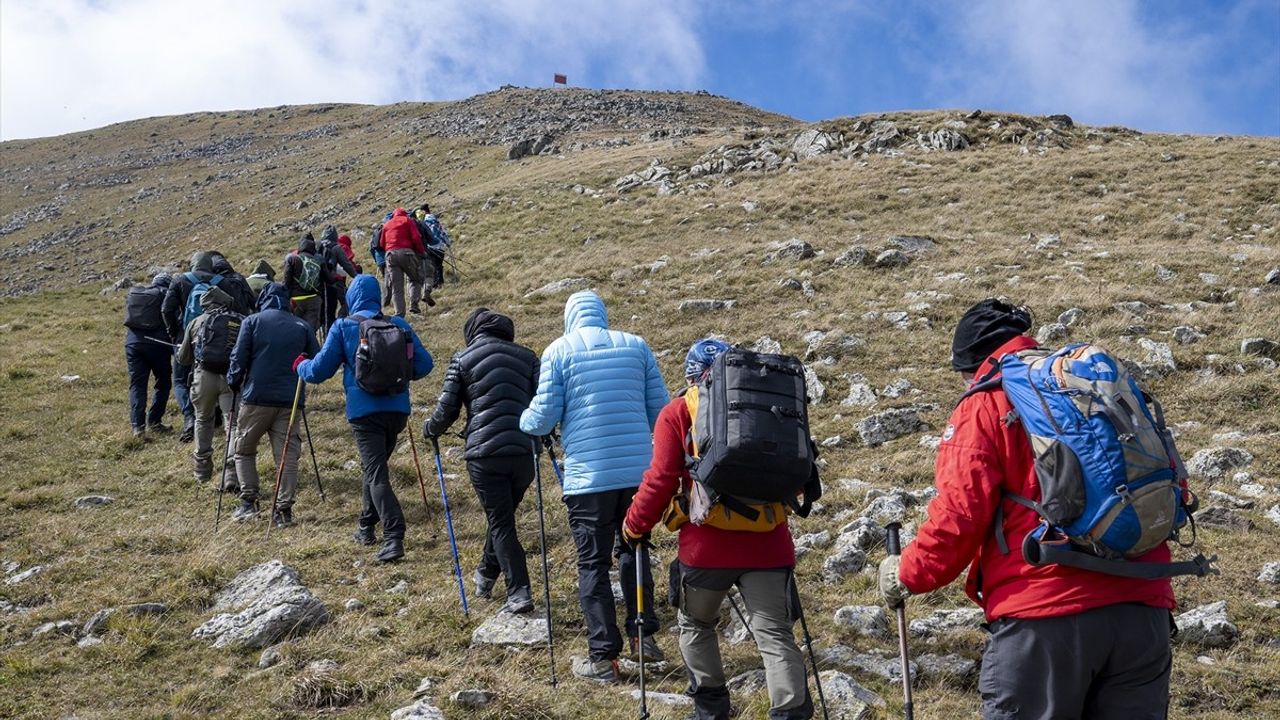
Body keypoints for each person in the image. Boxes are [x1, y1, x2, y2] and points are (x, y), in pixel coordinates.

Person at [877, 298, 1178, 719]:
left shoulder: (985, 403)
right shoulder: (1093, 389)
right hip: (1144, 608)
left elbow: (960, 513)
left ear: (973, 366)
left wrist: (906, 572)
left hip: (1044, 616)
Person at [623, 338, 814, 720]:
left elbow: (661, 479)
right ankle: (790, 712)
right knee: (775, 634)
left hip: (705, 548)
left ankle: (711, 710)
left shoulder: (678, 411)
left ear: (691, 375)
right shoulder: (770, 408)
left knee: (695, 624)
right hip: (769, 545)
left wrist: (634, 526)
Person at [519, 290, 670, 682]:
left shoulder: (559, 351)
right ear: (602, 315)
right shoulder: (637, 347)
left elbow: (543, 417)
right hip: (639, 475)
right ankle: (644, 637)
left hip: (588, 479)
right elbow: (661, 412)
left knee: (592, 564)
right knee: (634, 550)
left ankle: (604, 657)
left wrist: (525, 421)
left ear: (570, 318)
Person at [297, 274, 433, 562]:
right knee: (374, 469)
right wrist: (400, 376)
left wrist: (301, 366)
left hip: (364, 413)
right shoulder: (400, 325)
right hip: (397, 411)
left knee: (375, 473)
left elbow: (319, 372)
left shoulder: (344, 326)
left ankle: (394, 536)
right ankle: (366, 526)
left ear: (351, 298)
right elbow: (425, 365)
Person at [424, 308, 539, 614]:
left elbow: (447, 409)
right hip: (525, 452)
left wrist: (430, 428)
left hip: (485, 454)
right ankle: (487, 574)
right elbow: (542, 401)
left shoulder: (463, 358)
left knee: (501, 522)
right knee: (501, 518)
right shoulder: (528, 357)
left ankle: (519, 591)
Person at [226, 282, 320, 527]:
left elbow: (238, 357)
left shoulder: (253, 322)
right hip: (291, 400)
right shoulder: (302, 326)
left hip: (256, 397)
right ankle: (283, 511)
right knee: (287, 456)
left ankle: (249, 502)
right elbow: (316, 357)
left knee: (244, 449)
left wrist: (233, 381)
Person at [176, 285, 241, 488]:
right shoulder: (239, 321)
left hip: (203, 377)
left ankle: (202, 470)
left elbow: (183, 358)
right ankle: (231, 472)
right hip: (230, 379)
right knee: (233, 424)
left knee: (203, 419)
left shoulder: (196, 322)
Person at [163, 251, 222, 442]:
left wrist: (174, 332)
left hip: (186, 335)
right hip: (214, 337)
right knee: (212, 375)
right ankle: (213, 416)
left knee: (180, 379)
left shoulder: (180, 280)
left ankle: (189, 418)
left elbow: (166, 309)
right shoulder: (221, 280)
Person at [123, 273, 175, 437]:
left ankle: (137, 426)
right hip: (157, 344)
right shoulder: (166, 294)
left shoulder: (137, 294)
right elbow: (171, 317)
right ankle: (154, 421)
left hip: (133, 344)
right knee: (163, 382)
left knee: (137, 385)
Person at [380, 207, 432, 316]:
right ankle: (414, 304)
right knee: (415, 279)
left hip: (390, 255)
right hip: (407, 253)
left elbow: (382, 243)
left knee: (397, 287)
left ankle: (399, 314)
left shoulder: (387, 224)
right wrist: (421, 252)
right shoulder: (408, 220)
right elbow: (416, 237)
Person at [283, 233, 329, 338]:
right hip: (314, 300)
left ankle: (297, 351)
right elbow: (329, 279)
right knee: (310, 331)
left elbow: (286, 281)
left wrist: (286, 296)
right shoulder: (319, 261)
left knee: (295, 329)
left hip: (296, 301)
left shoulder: (292, 259)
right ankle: (310, 351)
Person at [319, 224, 359, 327]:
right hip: (333, 283)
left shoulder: (316, 246)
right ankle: (336, 328)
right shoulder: (337, 248)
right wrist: (357, 277)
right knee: (341, 306)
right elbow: (347, 265)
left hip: (317, 285)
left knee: (323, 314)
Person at [208, 252, 256, 316]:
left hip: (226, 317)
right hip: (245, 315)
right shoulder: (238, 276)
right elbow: (251, 297)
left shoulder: (214, 281)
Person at [370, 212, 393, 306]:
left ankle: (387, 300)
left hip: (379, 260)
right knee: (389, 280)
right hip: (387, 257)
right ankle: (386, 301)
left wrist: (376, 259)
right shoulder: (387, 230)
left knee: (386, 279)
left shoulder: (375, 233)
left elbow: (371, 248)